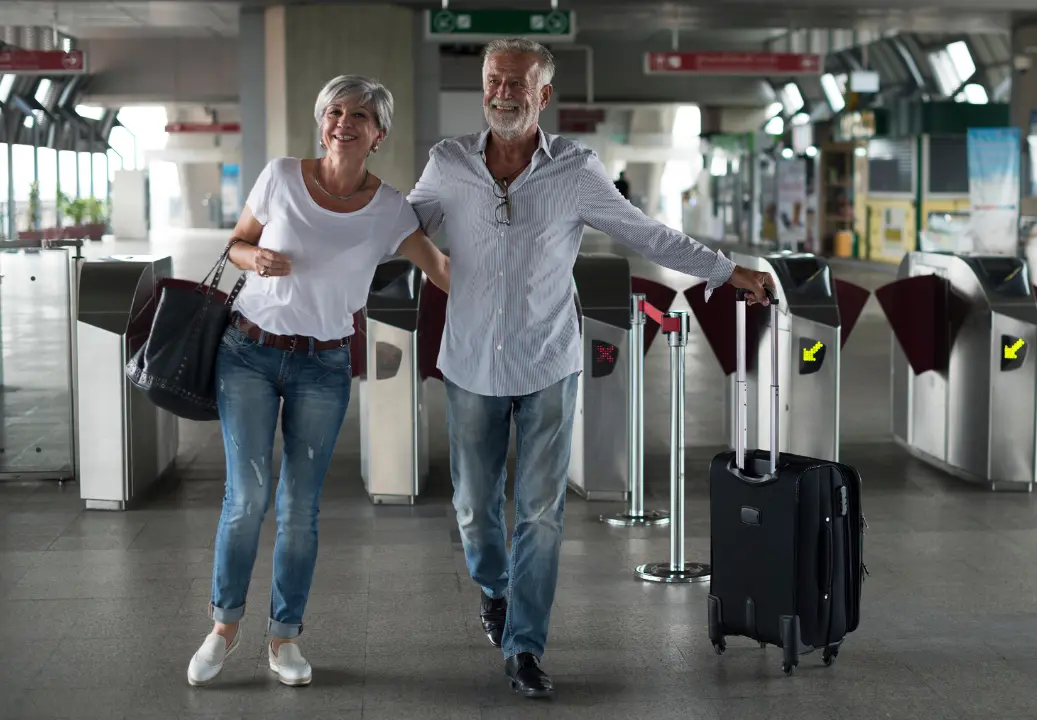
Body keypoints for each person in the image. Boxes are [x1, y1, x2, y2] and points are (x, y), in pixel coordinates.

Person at [407, 37, 774, 700]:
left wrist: (726, 270)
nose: (504, 92)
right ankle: (494, 589)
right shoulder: (448, 164)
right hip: (467, 364)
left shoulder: (575, 170)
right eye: (495, 80)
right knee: (472, 508)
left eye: (518, 83)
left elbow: (647, 233)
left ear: (543, 95)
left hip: (549, 362)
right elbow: (397, 226)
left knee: (541, 514)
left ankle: (524, 646)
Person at [186, 75, 451, 689]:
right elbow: (237, 244)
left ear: (378, 134)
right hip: (247, 352)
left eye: (360, 115)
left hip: (324, 366)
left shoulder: (390, 209)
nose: (344, 122)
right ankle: (223, 629)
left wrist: (523, 295)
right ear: (322, 120)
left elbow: (440, 271)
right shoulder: (279, 175)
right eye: (335, 111)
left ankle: (284, 638)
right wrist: (258, 260)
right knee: (247, 498)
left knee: (300, 509)